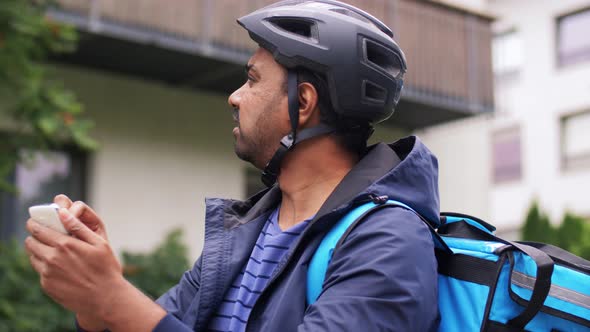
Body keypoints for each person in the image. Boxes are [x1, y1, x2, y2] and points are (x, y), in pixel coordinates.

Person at [24, 0, 440, 331]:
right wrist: (95, 303)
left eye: (253, 80)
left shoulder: (389, 241)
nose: (235, 97)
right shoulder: (247, 232)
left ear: (304, 102)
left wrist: (113, 296)